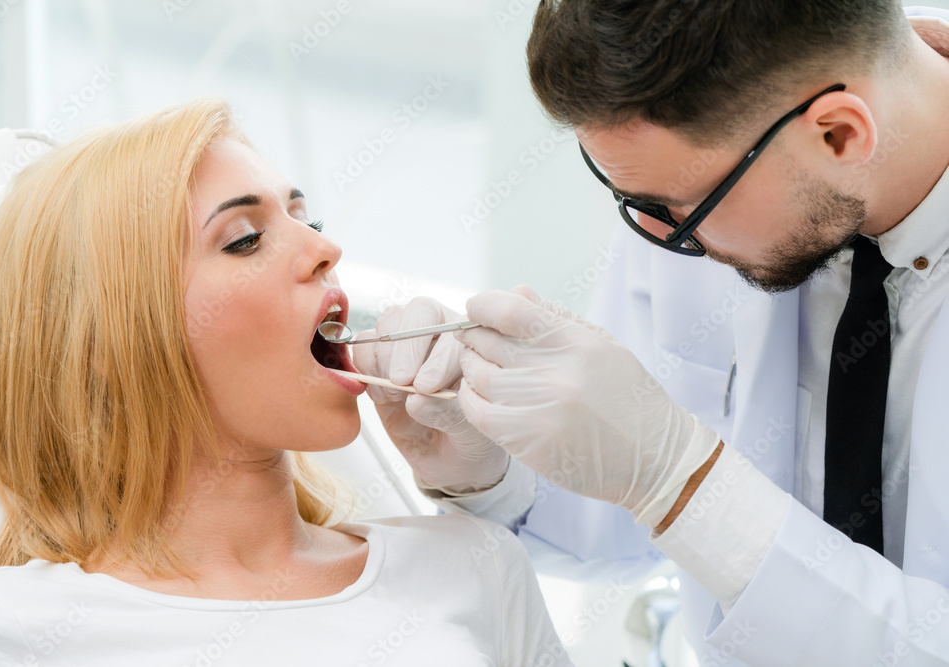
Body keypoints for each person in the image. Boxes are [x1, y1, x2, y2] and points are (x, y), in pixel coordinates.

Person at [354, 3, 949, 665]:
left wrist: (681, 475)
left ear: (838, 135)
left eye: (675, 208)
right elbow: (634, 517)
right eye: (631, 200)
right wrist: (490, 467)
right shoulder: (699, 184)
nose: (658, 237)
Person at [0, 99, 572, 666]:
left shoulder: (473, 563)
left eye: (307, 218)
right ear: (103, 345)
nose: (326, 247)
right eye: (245, 240)